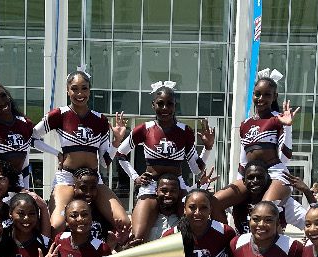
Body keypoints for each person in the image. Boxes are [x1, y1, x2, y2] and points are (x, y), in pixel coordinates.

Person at [32, 68, 129, 234]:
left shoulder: (100, 120)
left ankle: (108, 252)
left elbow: (105, 162)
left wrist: (116, 141)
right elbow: (33, 138)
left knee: (124, 222)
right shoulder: (58, 115)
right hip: (67, 179)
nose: (79, 93)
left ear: (90, 90)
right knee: (57, 225)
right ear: (68, 90)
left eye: (84, 88)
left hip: (93, 180)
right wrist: (56, 153)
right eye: (74, 88)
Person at [116, 82, 215, 240]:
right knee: (137, 237)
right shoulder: (144, 129)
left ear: (175, 105)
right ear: (153, 104)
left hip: (178, 187)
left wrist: (208, 148)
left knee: (192, 233)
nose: (165, 108)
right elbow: (120, 154)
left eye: (169, 104)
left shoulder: (185, 131)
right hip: (151, 186)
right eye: (160, 104)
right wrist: (135, 177)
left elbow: (196, 169)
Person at [213, 71, 299, 218]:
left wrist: (288, 127)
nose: (261, 98)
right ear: (252, 95)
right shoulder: (245, 124)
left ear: (274, 97)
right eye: (257, 94)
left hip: (276, 173)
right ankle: (227, 238)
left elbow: (285, 158)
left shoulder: (278, 119)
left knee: (264, 211)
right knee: (213, 202)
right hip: (252, 176)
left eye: (267, 95)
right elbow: (243, 160)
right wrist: (240, 181)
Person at [230, 162, 305, 235]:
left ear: (268, 180)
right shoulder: (236, 202)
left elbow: (309, 221)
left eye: (260, 177)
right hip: (244, 247)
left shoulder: (283, 203)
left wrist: (307, 192)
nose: (255, 181)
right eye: (251, 177)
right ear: (244, 181)